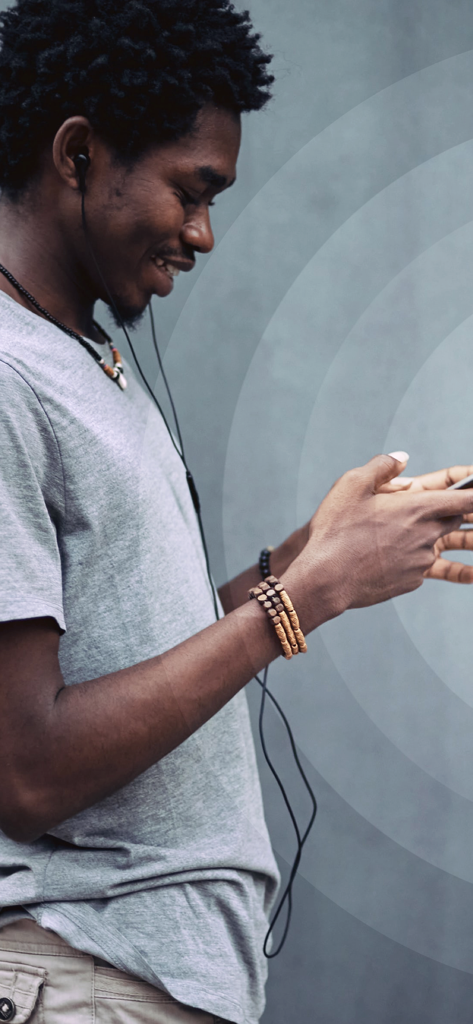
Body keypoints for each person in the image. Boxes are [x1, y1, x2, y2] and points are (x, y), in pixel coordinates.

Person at [0, 1, 472, 1022]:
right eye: (190, 190)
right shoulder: (5, 376)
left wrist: (310, 558)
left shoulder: (84, 364)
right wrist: (292, 600)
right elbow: (25, 768)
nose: (204, 233)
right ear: (77, 154)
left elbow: (127, 662)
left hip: (139, 982)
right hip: (81, 975)